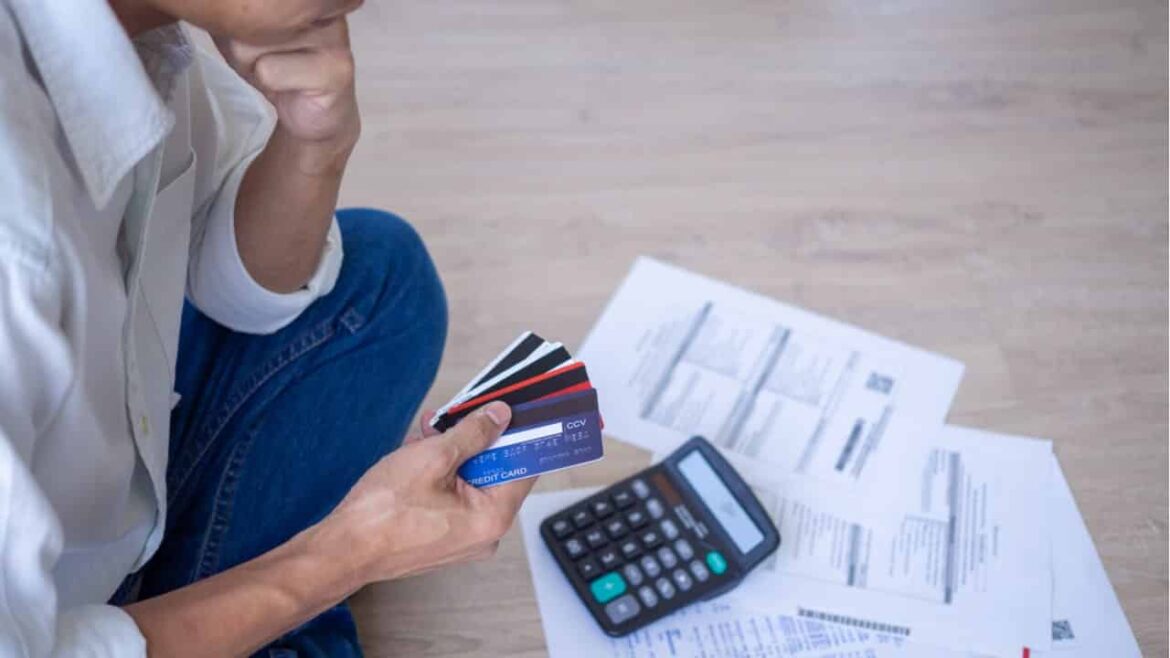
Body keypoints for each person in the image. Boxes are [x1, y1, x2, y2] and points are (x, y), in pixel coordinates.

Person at [0, 0, 536, 656]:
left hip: (97, 519)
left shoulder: (135, 33)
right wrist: (346, 554)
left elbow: (239, 295)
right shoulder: (14, 235)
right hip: (44, 625)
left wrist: (316, 143)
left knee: (381, 278)